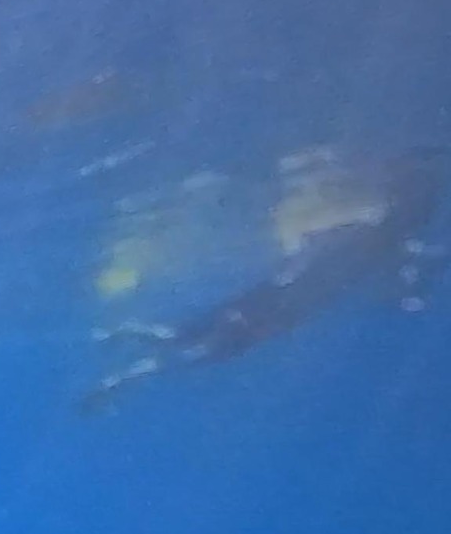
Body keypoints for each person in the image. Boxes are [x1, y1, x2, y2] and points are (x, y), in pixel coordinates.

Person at [82, 147, 444, 411]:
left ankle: (125, 342)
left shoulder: (365, 232)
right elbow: (400, 282)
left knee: (188, 337)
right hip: (280, 312)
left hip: (269, 296)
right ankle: (122, 371)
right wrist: (409, 292)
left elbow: (309, 246)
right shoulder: (391, 247)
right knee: (201, 350)